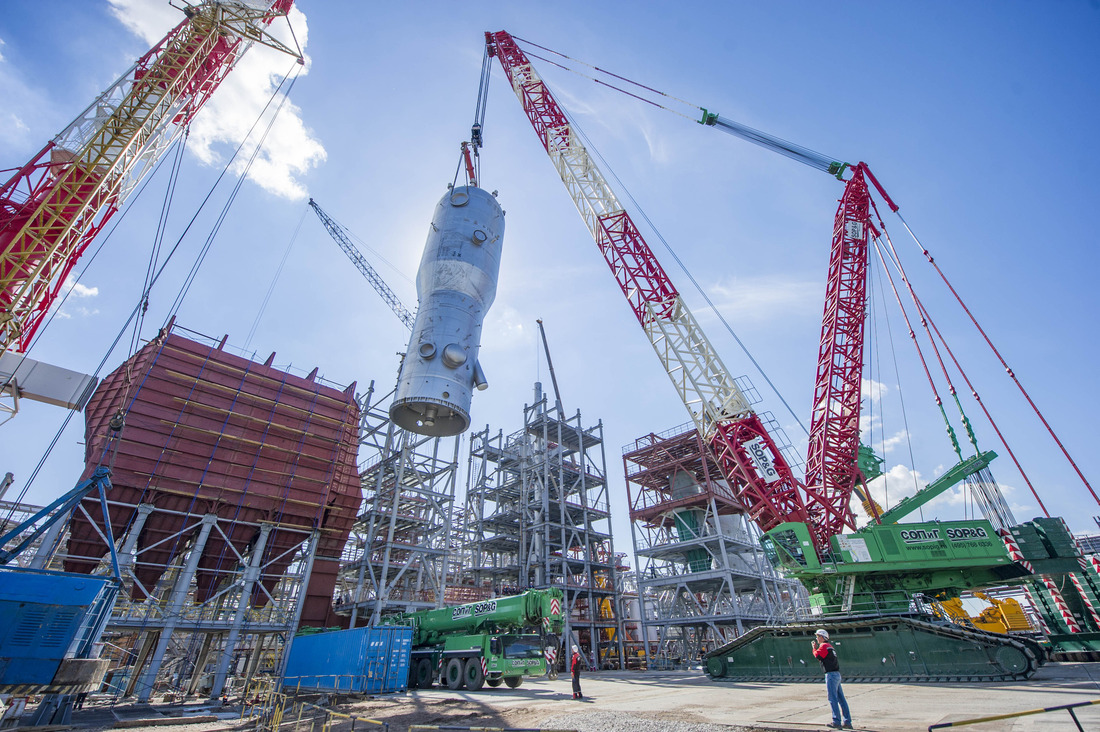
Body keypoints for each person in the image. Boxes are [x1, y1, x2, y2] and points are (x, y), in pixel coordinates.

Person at [811, 629, 852, 729]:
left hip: (831, 675)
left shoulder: (824, 646)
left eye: (817, 636)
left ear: (822, 637)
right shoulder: (830, 647)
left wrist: (813, 648)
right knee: (841, 699)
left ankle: (836, 721)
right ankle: (847, 722)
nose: (816, 638)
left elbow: (818, 655)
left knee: (832, 698)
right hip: (836, 674)